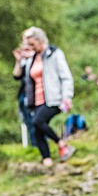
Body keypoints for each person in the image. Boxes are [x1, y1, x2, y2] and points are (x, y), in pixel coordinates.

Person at [16, 27, 75, 166]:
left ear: (40, 40)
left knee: (38, 121)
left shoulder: (54, 54)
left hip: (54, 98)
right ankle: (46, 159)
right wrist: (20, 60)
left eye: (32, 44)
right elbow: (17, 76)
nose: (29, 47)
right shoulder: (31, 58)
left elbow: (66, 77)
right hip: (35, 100)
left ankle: (62, 144)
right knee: (37, 129)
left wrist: (67, 96)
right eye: (27, 44)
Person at [12, 42, 38, 147]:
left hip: (36, 95)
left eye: (27, 50)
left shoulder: (37, 62)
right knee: (29, 122)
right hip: (24, 96)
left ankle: (40, 145)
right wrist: (18, 61)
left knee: (38, 121)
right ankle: (34, 146)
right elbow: (16, 76)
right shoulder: (23, 63)